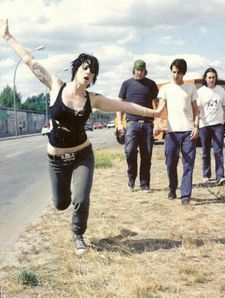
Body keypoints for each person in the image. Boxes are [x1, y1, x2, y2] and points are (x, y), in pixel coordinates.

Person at [0, 19, 163, 256]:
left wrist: (153, 113)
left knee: (81, 198)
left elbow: (124, 104)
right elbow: (29, 61)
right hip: (56, 159)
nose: (89, 73)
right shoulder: (55, 84)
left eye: (93, 71)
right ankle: (70, 212)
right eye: (86, 68)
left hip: (82, 155)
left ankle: (78, 234)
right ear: (76, 68)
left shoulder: (93, 99)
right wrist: (8, 38)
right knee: (61, 203)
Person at [157, 58, 199, 205]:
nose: (175, 75)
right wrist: (157, 122)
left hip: (188, 131)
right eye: (174, 72)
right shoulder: (165, 89)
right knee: (170, 163)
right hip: (171, 132)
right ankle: (172, 187)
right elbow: (160, 109)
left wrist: (196, 126)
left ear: (184, 73)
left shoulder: (191, 89)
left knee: (188, 163)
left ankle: (185, 194)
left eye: (179, 73)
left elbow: (196, 110)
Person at [116, 59, 159, 193]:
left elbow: (157, 104)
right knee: (130, 152)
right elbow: (120, 105)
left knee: (146, 155)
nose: (139, 72)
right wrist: (119, 123)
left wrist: (157, 121)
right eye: (137, 70)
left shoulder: (151, 84)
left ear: (145, 70)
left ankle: (144, 184)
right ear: (133, 70)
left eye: (142, 70)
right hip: (131, 124)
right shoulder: (126, 84)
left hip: (147, 124)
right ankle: (131, 179)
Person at [197, 67, 225, 186]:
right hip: (204, 125)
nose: (211, 80)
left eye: (213, 77)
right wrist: (195, 125)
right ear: (205, 78)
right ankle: (206, 175)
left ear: (216, 78)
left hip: (218, 125)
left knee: (218, 151)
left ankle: (220, 176)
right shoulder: (200, 92)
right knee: (205, 151)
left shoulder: (221, 90)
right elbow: (197, 110)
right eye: (209, 77)